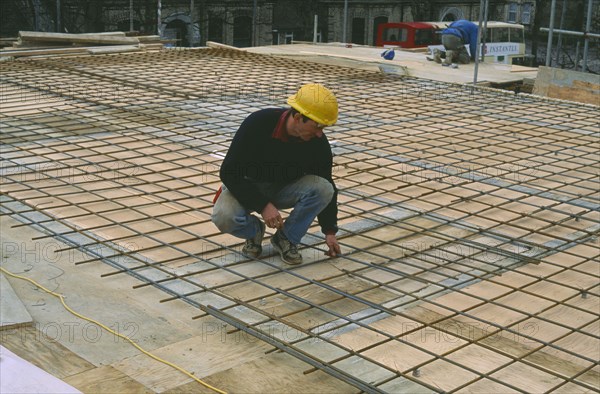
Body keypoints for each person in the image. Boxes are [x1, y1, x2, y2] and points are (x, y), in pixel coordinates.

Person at [211, 83, 342, 265]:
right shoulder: (258, 124)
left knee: (324, 188)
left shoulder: (316, 142)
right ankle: (254, 231)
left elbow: (327, 181)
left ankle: (286, 238)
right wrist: (263, 206)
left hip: (284, 187)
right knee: (224, 216)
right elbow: (229, 171)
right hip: (249, 185)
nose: (320, 134)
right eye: (317, 126)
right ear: (298, 117)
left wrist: (329, 232)